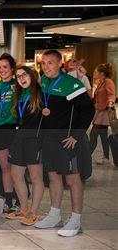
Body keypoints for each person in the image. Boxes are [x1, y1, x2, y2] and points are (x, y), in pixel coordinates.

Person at [35, 49, 94, 237]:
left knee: (72, 179)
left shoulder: (73, 85)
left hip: (67, 140)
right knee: (53, 176)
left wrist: (76, 135)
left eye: (50, 63)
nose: (46, 67)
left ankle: (76, 220)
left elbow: (87, 111)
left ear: (60, 64)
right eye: (43, 63)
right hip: (49, 139)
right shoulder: (43, 82)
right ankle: (55, 215)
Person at [6, 66, 44, 226]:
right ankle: (24, 209)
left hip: (34, 139)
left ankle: (34, 212)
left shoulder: (41, 94)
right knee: (16, 175)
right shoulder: (19, 95)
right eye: (18, 76)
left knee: (36, 177)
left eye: (24, 75)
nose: (21, 79)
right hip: (19, 137)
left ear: (32, 75)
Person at [0, 53, 17, 212]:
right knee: (5, 168)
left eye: (5, 67)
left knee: (17, 168)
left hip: (14, 129)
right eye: (0, 67)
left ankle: (21, 200)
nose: (2, 70)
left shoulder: (18, 86)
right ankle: (8, 201)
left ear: (12, 69)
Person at [90, 63, 116, 165]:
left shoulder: (108, 82)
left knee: (94, 134)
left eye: (96, 71)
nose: (94, 73)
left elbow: (112, 94)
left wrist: (111, 102)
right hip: (100, 112)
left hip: (104, 113)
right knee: (103, 136)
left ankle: (85, 156)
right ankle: (106, 158)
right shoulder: (102, 82)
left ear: (102, 73)